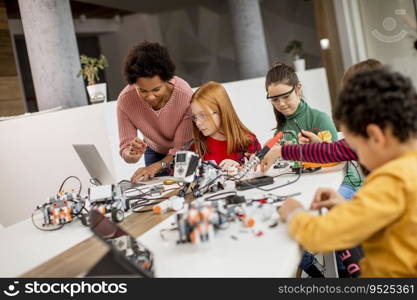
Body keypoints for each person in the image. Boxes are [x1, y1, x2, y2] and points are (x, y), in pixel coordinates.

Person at [279, 68, 417, 277]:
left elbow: (320, 236)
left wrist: (294, 214)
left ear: (375, 136)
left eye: (357, 148)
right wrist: (347, 208)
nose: (358, 156)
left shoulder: (391, 180)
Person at [260, 59, 383, 172]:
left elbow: (334, 154)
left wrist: (281, 151)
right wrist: (319, 144)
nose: (346, 107)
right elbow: (333, 151)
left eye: (350, 98)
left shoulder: (375, 137)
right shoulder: (375, 133)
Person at [116, 41, 193, 182]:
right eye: (142, 91)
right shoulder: (125, 100)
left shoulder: (185, 96)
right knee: (157, 194)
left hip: (184, 152)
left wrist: (156, 167)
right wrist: (132, 154)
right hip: (154, 150)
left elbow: (181, 149)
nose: (150, 97)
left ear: (167, 80)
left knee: (185, 189)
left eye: (156, 89)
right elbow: (125, 148)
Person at [190, 81, 261, 170]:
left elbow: (260, 171)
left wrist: (239, 166)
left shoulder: (248, 142)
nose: (198, 123)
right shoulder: (196, 147)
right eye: (194, 117)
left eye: (202, 115)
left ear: (220, 111)